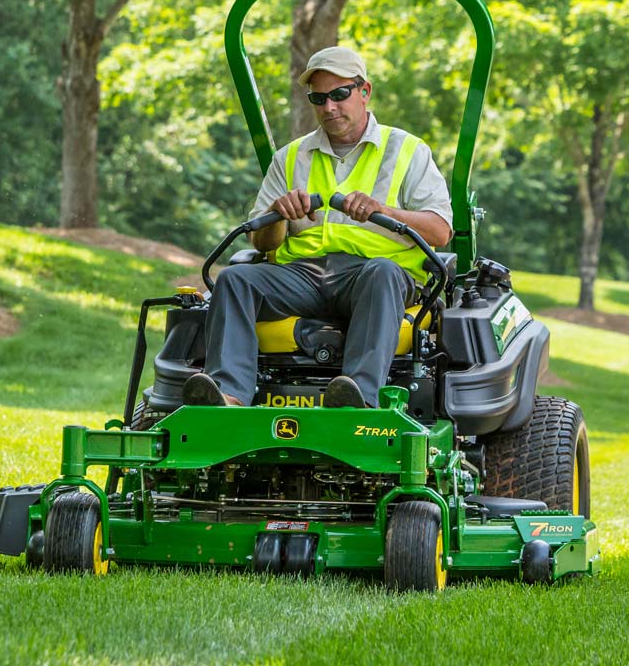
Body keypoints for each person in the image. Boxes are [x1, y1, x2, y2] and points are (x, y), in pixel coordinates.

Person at [183, 46, 453, 409]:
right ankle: (229, 396)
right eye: (319, 98)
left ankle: (355, 399)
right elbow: (262, 243)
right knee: (235, 279)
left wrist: (383, 210)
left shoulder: (406, 150)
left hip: (374, 276)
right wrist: (279, 216)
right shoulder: (290, 157)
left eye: (340, 94)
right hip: (303, 276)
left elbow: (439, 231)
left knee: (382, 273)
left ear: (364, 91)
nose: (329, 107)